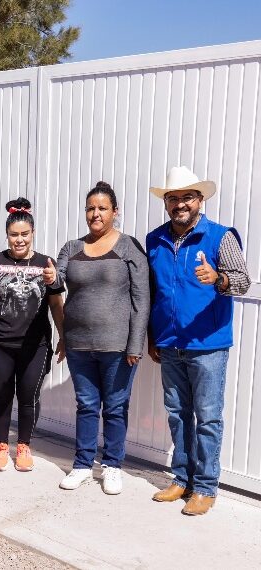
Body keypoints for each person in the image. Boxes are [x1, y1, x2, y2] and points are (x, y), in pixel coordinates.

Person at [145, 166, 251, 515]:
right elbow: (153, 292)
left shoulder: (221, 237)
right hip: (169, 343)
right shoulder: (155, 239)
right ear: (166, 203)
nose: (179, 204)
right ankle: (181, 479)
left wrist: (218, 278)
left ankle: (205, 487)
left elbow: (243, 282)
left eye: (186, 197)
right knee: (177, 414)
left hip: (208, 344)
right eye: (173, 198)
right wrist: (152, 336)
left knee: (207, 418)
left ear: (199, 200)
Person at [55, 182, 149, 495]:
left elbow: (141, 298)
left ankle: (112, 466)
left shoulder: (129, 247)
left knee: (115, 407)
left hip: (118, 346)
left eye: (102, 208)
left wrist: (136, 343)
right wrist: (44, 274)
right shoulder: (71, 248)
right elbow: (56, 280)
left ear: (115, 212)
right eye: (90, 208)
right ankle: (82, 465)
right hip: (79, 343)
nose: (95, 214)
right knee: (86, 405)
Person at [0, 198, 64, 472]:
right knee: (1, 395)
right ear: (7, 235)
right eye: (14, 235)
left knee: (29, 397)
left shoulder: (45, 264)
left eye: (24, 234)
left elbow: (55, 304)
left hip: (35, 345)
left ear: (32, 233)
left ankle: (24, 446)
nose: (19, 240)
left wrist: (64, 336)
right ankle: (1, 445)